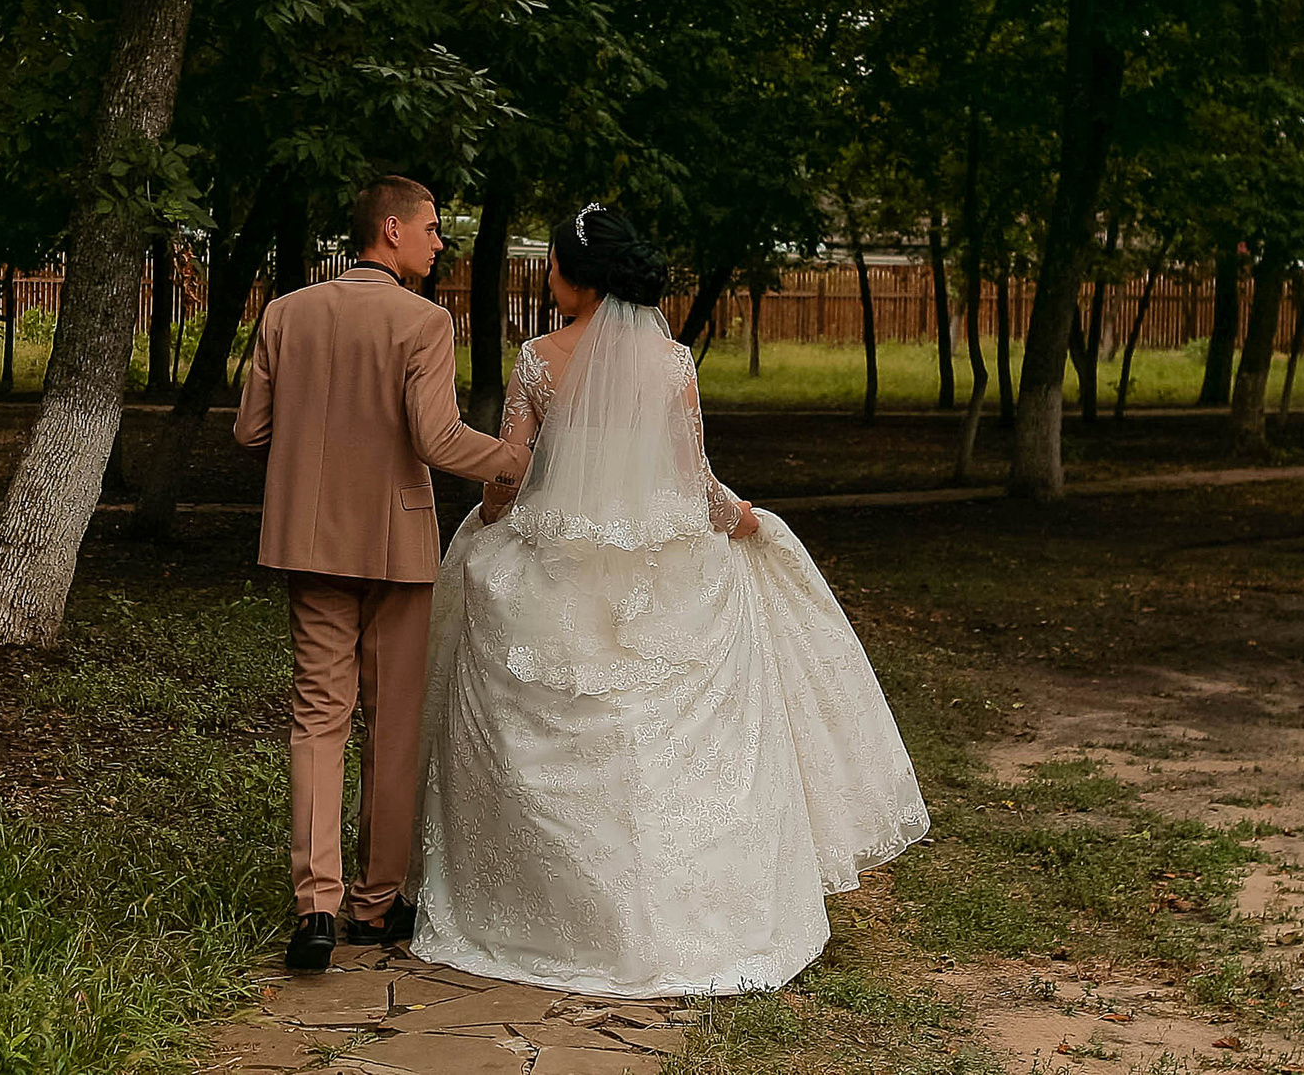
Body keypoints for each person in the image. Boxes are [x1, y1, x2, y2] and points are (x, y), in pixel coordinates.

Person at [407, 201, 929, 997]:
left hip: (558, 565)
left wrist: (488, 515)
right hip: (660, 569)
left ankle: (550, 914)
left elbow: (511, 471)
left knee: (559, 714)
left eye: (554, 267)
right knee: (661, 740)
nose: (548, 280)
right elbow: (694, 478)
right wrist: (742, 517)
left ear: (580, 277)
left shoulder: (538, 359)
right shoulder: (674, 363)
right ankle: (684, 917)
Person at [237, 176, 532, 973]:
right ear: (392, 230)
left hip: (307, 542)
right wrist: (514, 460)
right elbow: (436, 439)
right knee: (391, 725)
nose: (440, 243)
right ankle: (374, 905)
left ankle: (314, 907)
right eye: (431, 228)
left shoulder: (284, 313)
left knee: (317, 719)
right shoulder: (423, 321)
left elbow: (250, 430)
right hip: (396, 548)